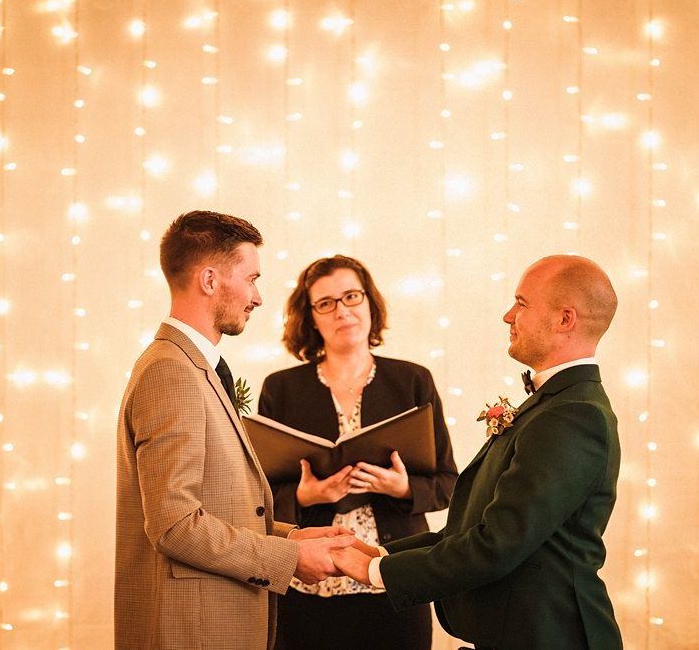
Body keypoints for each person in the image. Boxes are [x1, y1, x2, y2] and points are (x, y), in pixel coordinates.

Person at [332, 254, 623, 650]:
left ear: (564, 319)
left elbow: (496, 544)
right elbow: (467, 532)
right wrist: (379, 551)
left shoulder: (574, 415)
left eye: (521, 303)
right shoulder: (553, 406)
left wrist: (374, 570)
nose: (508, 315)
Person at [115, 211, 354, 650]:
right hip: (197, 631)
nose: (258, 297)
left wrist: (292, 536)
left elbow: (214, 509)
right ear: (209, 280)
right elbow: (175, 525)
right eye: (251, 278)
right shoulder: (171, 371)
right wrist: (290, 558)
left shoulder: (193, 366)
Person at [257, 254, 458, 649]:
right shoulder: (280, 389)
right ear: (311, 317)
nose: (342, 311)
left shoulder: (414, 380)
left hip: (395, 581)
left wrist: (402, 488)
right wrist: (304, 496)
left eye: (352, 296)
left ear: (369, 303)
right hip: (306, 584)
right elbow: (255, 495)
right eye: (326, 303)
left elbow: (449, 483)